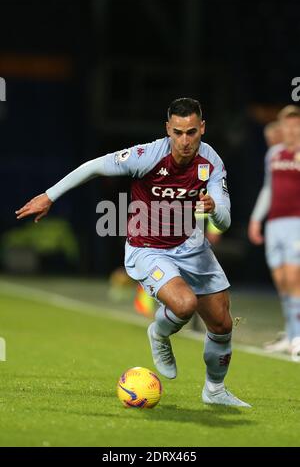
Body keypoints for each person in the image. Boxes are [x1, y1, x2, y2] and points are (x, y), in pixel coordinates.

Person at [16, 97, 250, 407]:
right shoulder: (147, 155)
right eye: (177, 132)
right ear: (168, 129)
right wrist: (49, 195)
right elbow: (94, 167)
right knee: (184, 305)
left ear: (202, 128)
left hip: (193, 248)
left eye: (191, 132)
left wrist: (213, 208)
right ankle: (159, 333)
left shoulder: (211, 163)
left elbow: (225, 219)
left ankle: (215, 391)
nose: (184, 141)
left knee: (221, 324)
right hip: (148, 249)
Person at [248, 106, 300, 357]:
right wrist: (257, 219)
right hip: (275, 224)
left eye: (296, 125)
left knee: (294, 279)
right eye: (287, 125)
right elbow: (268, 189)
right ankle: (290, 334)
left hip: (296, 223)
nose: (291, 130)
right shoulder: (274, 154)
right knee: (281, 282)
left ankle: (298, 335)